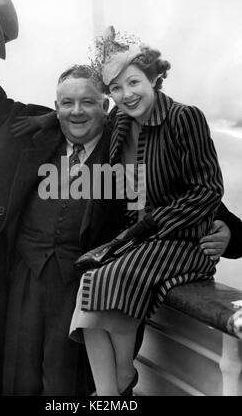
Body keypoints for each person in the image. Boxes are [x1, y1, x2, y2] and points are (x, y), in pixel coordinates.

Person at [0, 0, 125, 396]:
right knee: (18, 379)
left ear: (106, 105)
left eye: (88, 102)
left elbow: (181, 189)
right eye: (66, 103)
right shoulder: (20, 128)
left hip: (82, 286)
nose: (76, 112)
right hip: (21, 277)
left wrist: (227, 231)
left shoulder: (127, 149)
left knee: (66, 383)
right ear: (55, 105)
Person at [68, 29, 227, 396]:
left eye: (134, 82)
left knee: (112, 278)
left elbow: (207, 190)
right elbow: (124, 191)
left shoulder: (184, 118)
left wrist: (154, 224)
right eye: (116, 88)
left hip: (183, 242)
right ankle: (111, 392)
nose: (127, 95)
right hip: (142, 240)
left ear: (153, 77)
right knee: (90, 278)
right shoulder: (121, 125)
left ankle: (120, 380)